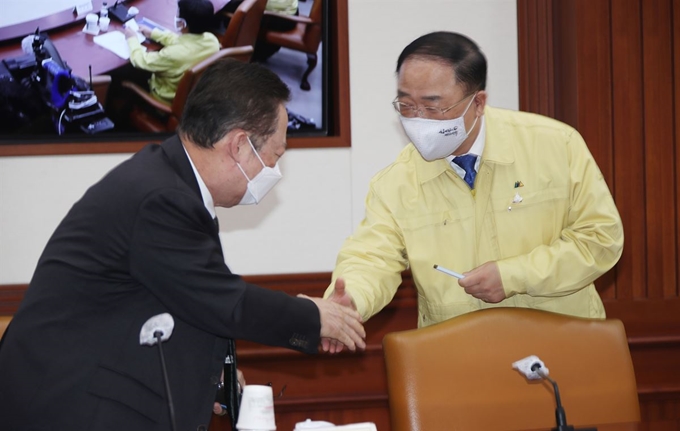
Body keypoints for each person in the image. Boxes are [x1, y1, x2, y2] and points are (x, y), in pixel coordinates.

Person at [0, 58, 365, 431]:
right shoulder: (161, 198)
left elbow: (175, 299)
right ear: (240, 146)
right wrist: (316, 318)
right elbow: (224, 301)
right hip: (67, 407)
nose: (275, 169)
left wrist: (211, 379)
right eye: (276, 154)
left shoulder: (170, 183)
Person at [324, 31, 624, 336]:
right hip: (457, 354)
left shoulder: (556, 146)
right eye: (406, 106)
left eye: (433, 107)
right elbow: (371, 257)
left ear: (478, 102)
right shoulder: (397, 183)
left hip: (563, 344)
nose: (418, 120)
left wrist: (513, 276)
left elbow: (600, 239)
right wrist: (350, 302)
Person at [123, 0, 220, 104]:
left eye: (178, 13)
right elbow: (182, 42)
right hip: (193, 97)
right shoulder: (212, 41)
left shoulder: (172, 54)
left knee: (125, 77)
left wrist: (132, 39)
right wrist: (153, 34)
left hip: (163, 102)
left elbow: (141, 61)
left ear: (183, 23)